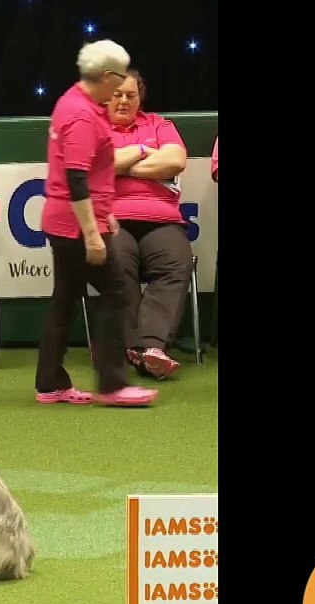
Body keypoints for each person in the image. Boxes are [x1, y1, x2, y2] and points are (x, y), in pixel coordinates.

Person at [36, 40, 159, 407]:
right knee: (117, 293)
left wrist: (105, 212)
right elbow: (76, 179)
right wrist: (93, 233)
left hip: (70, 221)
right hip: (75, 226)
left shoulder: (75, 100)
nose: (122, 87)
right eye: (119, 79)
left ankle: (50, 384)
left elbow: (90, 174)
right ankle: (113, 385)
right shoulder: (83, 116)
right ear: (106, 76)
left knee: (65, 302)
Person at [108, 69, 193, 380]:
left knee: (176, 261)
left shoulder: (159, 124)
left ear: (139, 97)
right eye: (117, 94)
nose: (124, 101)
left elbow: (174, 161)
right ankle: (134, 347)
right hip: (112, 218)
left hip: (162, 220)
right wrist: (143, 153)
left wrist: (123, 168)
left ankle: (152, 348)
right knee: (116, 260)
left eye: (131, 95)